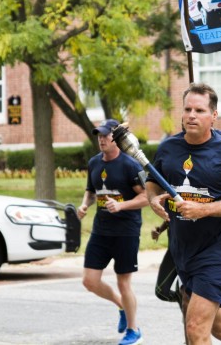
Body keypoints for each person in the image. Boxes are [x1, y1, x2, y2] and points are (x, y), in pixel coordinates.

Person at [146, 83, 221, 345]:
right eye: (187, 109)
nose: (191, 115)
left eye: (199, 110)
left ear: (213, 116)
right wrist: (153, 200)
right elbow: (152, 181)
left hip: (217, 251)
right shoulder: (169, 148)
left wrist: (204, 209)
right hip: (183, 250)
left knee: (196, 327)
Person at [78, 118, 148, 345]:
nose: (101, 139)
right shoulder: (94, 163)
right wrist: (84, 205)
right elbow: (91, 190)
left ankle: (133, 329)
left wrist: (121, 205)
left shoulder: (130, 165)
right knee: (89, 280)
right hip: (101, 230)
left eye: (105, 135)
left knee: (123, 282)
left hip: (126, 231)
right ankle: (121, 305)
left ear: (115, 138)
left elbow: (146, 197)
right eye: (98, 135)